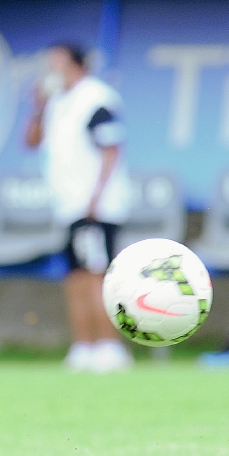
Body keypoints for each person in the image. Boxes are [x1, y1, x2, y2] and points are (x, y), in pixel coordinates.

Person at [25, 44, 134, 373]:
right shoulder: (57, 103)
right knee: (75, 277)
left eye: (55, 61)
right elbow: (31, 142)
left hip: (95, 207)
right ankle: (84, 347)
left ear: (75, 63)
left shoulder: (96, 98)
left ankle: (110, 347)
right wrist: (38, 107)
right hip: (68, 206)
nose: (50, 68)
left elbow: (111, 148)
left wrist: (95, 198)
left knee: (97, 276)